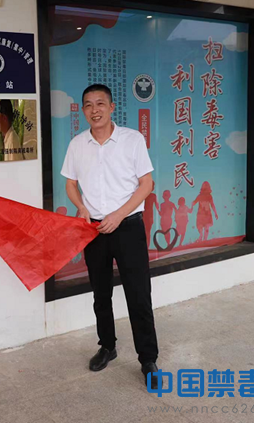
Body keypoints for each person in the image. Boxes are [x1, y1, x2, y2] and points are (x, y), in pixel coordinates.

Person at [61, 84, 159, 389]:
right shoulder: (77, 144)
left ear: (112, 107)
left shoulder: (132, 139)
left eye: (100, 103)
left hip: (127, 226)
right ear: (83, 110)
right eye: (89, 105)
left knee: (138, 294)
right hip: (94, 229)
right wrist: (81, 207)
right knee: (100, 293)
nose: (95, 110)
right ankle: (107, 346)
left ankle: (148, 359)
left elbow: (146, 184)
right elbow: (70, 184)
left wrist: (118, 215)